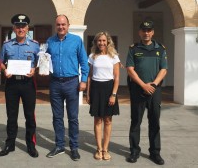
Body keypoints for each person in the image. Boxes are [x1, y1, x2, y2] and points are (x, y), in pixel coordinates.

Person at [45, 14, 89, 161]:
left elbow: (84, 62)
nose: (61, 27)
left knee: (73, 118)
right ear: (55, 25)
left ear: (68, 26)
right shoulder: (50, 41)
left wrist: (83, 81)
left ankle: (74, 147)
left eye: (63, 24)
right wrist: (43, 67)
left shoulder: (77, 41)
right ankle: (59, 145)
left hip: (72, 83)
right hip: (55, 83)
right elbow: (45, 59)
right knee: (57, 117)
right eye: (58, 24)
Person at [126, 21, 168, 165]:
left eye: (149, 30)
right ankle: (134, 151)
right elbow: (130, 69)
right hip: (138, 90)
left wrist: (154, 84)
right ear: (140, 32)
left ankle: (155, 153)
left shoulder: (160, 49)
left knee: (155, 121)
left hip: (154, 91)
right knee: (136, 121)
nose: (146, 33)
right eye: (144, 30)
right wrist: (143, 85)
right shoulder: (133, 49)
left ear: (153, 32)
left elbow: (164, 69)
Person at [0, 14, 40, 158]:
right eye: (18, 26)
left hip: (28, 84)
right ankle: (10, 144)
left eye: (23, 26)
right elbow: (0, 61)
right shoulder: (7, 45)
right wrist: (5, 70)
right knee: (11, 115)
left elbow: (40, 62)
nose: (21, 29)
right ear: (14, 28)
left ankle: (30, 145)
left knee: (29, 116)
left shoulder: (35, 45)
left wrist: (35, 69)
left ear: (28, 28)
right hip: (12, 83)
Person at [86, 31, 120, 161]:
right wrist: (88, 94)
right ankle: (98, 149)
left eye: (104, 40)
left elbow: (117, 78)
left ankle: (106, 149)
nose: (101, 43)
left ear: (108, 42)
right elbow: (89, 76)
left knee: (108, 120)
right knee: (97, 120)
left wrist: (113, 94)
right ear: (96, 42)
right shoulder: (92, 56)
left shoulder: (114, 57)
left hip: (109, 89)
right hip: (96, 89)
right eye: (99, 40)